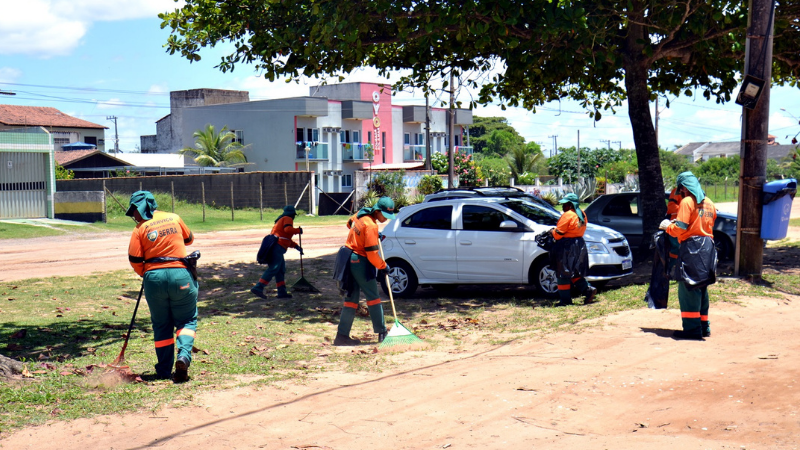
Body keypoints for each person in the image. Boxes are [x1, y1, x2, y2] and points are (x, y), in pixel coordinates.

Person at [127, 190, 198, 382]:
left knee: (161, 325)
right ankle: (183, 355)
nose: (134, 215)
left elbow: (134, 259)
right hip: (180, 275)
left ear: (142, 208)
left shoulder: (140, 229)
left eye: (134, 210)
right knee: (187, 321)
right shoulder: (174, 218)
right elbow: (189, 239)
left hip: (154, 279)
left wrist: (148, 274)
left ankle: (165, 370)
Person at [333, 196, 395, 346]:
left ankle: (341, 336)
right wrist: (383, 266)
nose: (385, 219)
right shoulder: (372, 226)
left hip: (348, 258)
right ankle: (382, 332)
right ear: (378, 211)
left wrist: (370, 237)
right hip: (360, 261)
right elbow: (373, 255)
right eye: (384, 216)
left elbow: (349, 224)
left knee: (351, 299)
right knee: (373, 296)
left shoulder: (360, 214)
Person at [663, 171, 717, 340]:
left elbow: (680, 228)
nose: (681, 193)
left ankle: (692, 330)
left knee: (688, 287)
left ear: (684, 187)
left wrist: (667, 227)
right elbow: (707, 223)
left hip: (692, 247)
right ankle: (703, 327)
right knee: (701, 286)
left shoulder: (687, 201)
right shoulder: (709, 202)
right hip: (708, 247)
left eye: (681, 189)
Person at [551, 193, 597, 307]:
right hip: (579, 244)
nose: (563, 206)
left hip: (567, 246)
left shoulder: (568, 215)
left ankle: (565, 301)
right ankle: (588, 290)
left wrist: (552, 231)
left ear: (570, 204)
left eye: (565, 204)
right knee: (575, 272)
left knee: (563, 273)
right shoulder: (582, 214)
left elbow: (558, 234)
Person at [251, 205, 303, 300]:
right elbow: (287, 230)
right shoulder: (287, 218)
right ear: (292, 214)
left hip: (276, 247)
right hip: (277, 248)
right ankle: (258, 287)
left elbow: (285, 238)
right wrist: (298, 230)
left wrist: (296, 247)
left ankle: (282, 292)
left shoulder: (280, 220)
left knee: (280, 270)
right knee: (274, 269)